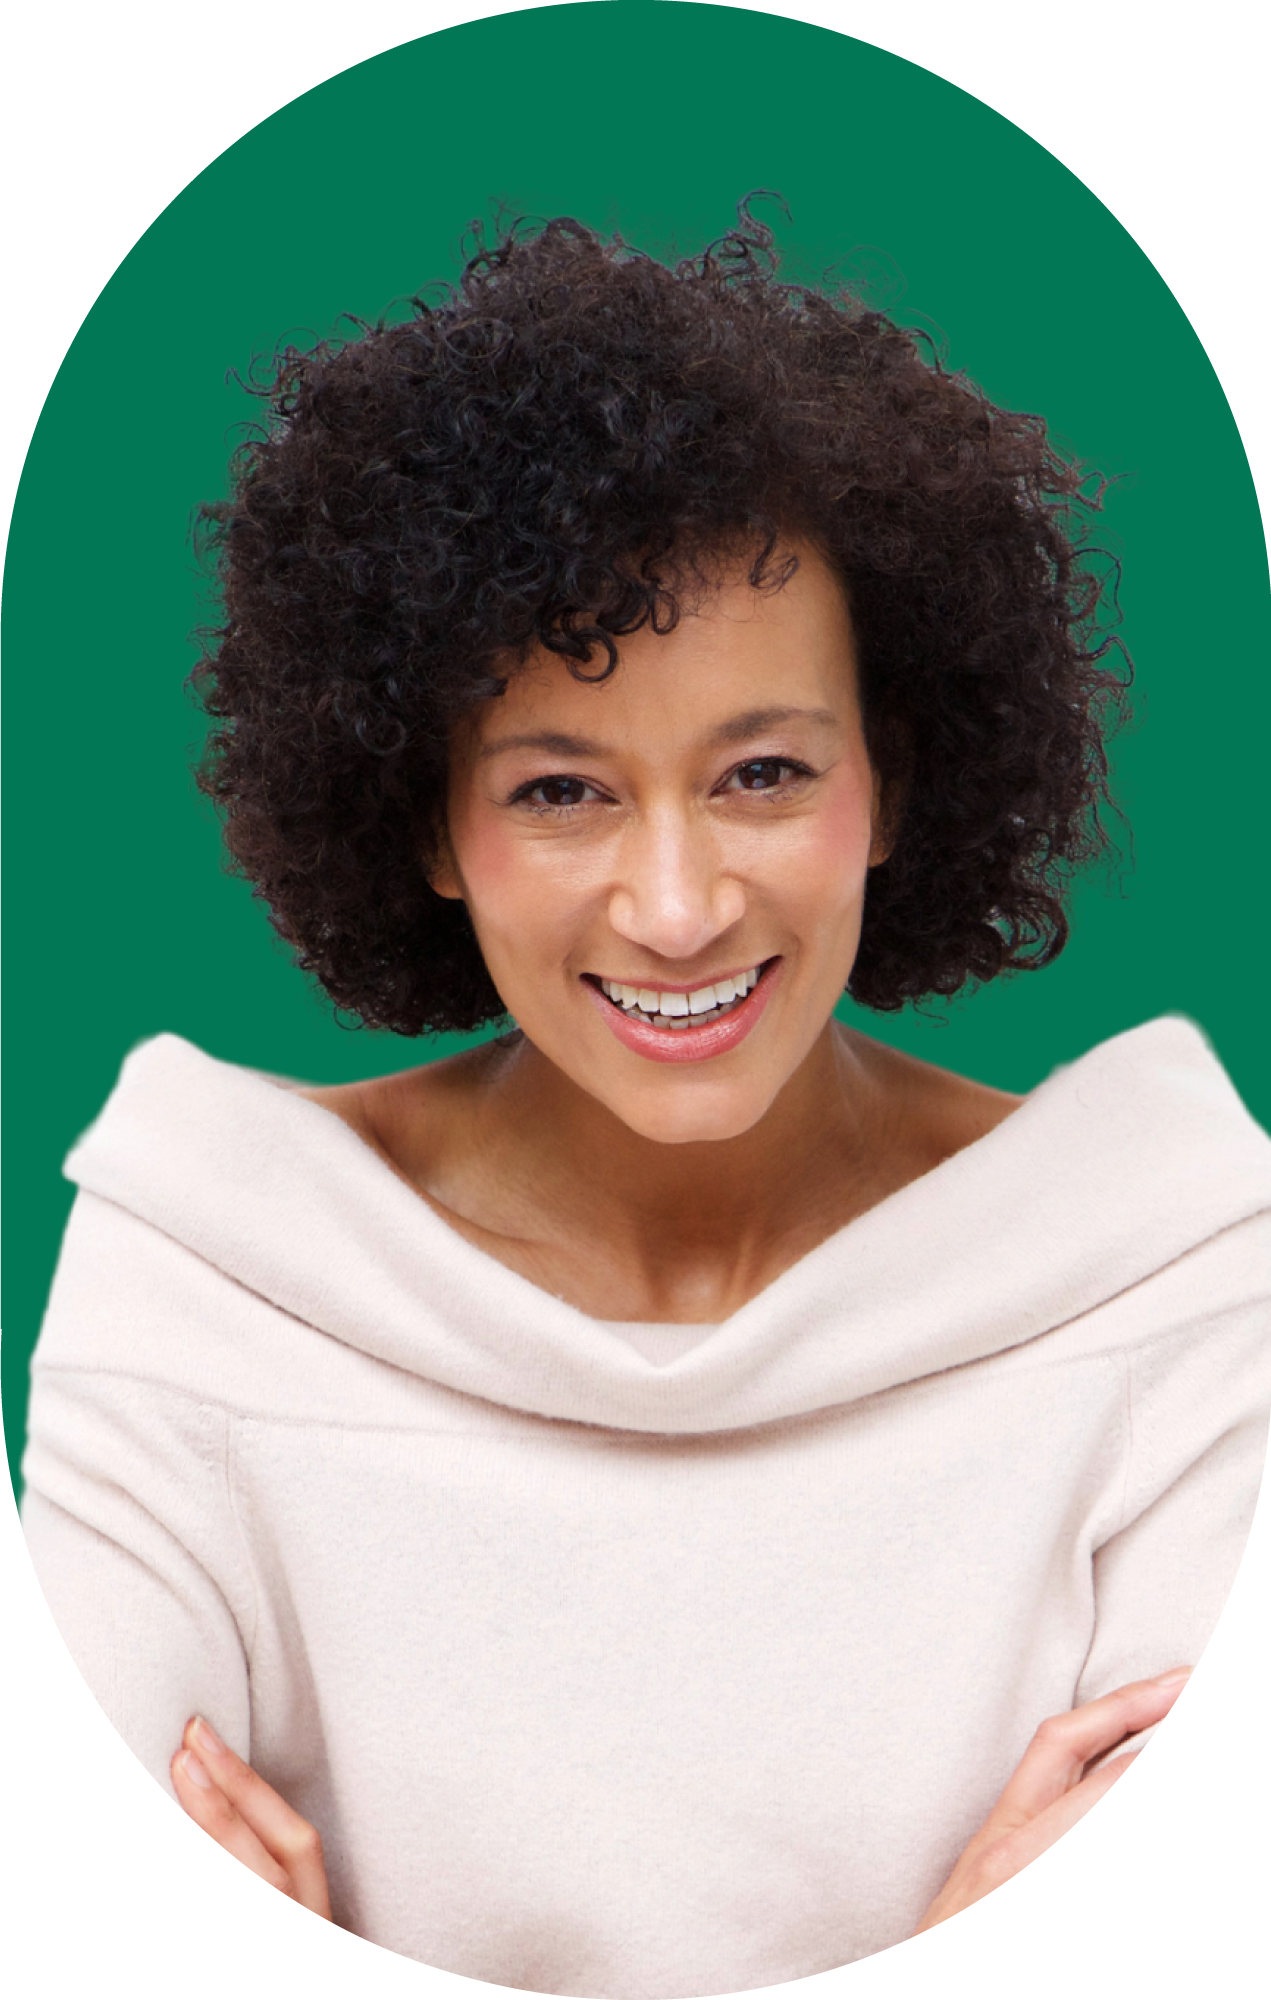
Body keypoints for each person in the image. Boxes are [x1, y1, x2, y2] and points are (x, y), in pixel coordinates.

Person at [19, 204, 1270, 1989]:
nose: (675, 907)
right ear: (426, 821)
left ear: (894, 783)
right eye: (557, 793)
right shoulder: (205, 1273)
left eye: (761, 771)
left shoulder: (1172, 1271)